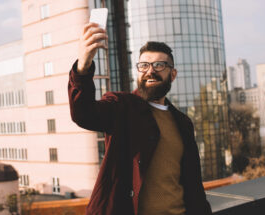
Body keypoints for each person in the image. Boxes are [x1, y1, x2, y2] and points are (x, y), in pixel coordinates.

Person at [68, 22, 212, 215]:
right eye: (144, 65)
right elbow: (82, 113)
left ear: (173, 74)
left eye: (159, 65)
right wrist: (83, 67)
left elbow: (193, 183)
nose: (150, 71)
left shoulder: (183, 122)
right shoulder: (121, 106)